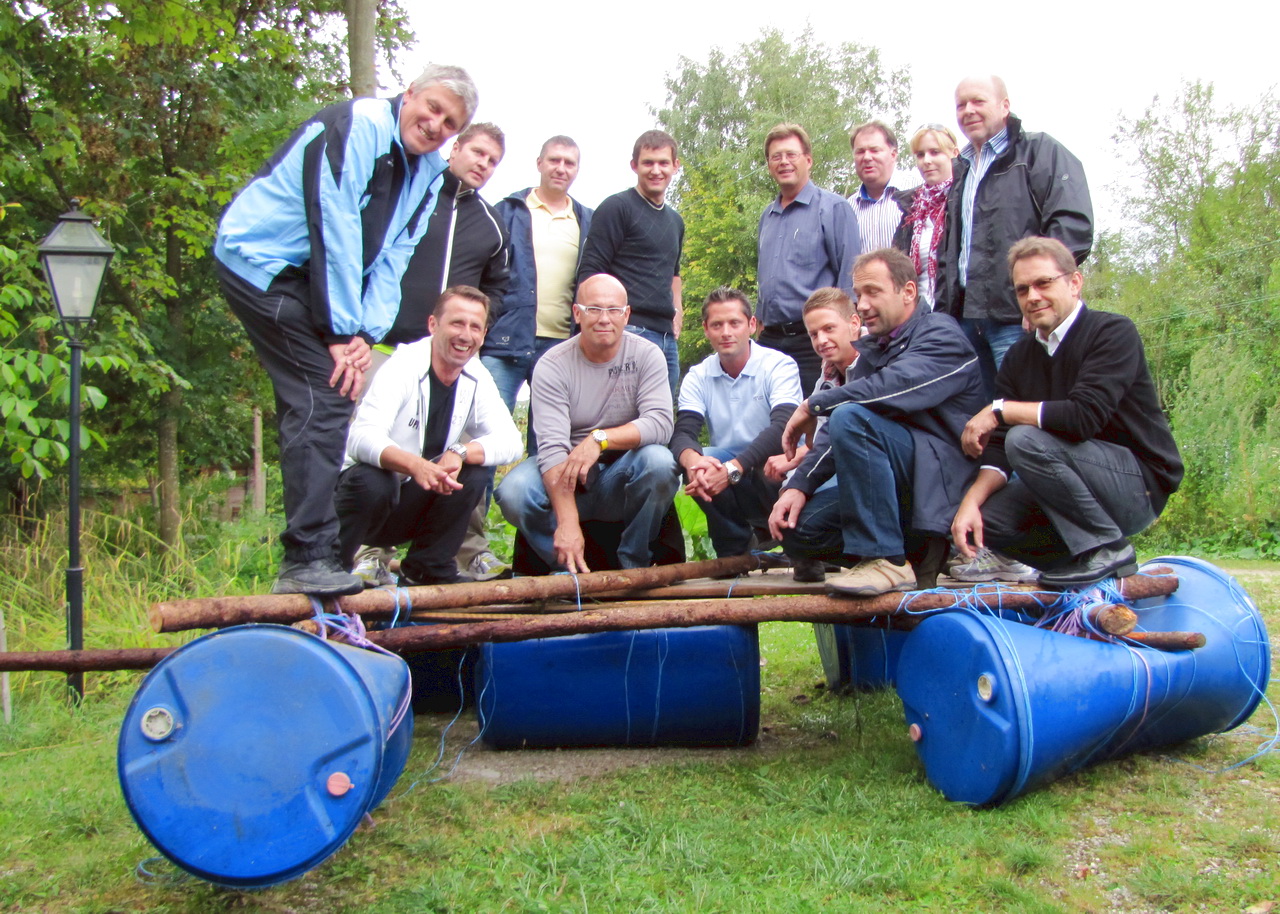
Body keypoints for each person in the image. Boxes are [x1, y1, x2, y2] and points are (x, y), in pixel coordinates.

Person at [214, 64, 476, 595]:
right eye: (433, 108)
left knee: (326, 392)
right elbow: (333, 224)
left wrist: (363, 335)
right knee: (326, 391)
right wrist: (339, 331)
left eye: (450, 124)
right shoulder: (358, 127)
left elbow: (394, 257)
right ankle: (308, 557)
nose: (435, 125)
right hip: (262, 263)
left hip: (311, 281)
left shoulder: (429, 175)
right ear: (409, 94)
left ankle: (318, 556)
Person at [950, 237, 1184, 589]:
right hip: (1069, 486)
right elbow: (998, 445)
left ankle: (1108, 549)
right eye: (1022, 289)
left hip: (1137, 487)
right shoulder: (1019, 357)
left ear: (1074, 282)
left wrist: (999, 409)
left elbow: (1083, 417)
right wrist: (970, 503)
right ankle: (1077, 564)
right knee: (987, 520)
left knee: (1025, 439)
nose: (1033, 297)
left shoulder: (1111, 332)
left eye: (1044, 283)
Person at [348, 122, 511, 587]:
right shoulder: (411, 197)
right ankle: (368, 554)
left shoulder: (491, 223)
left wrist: (470, 325)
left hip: (453, 358)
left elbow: (500, 285)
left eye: (493, 161)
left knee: (469, 454)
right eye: (477, 152)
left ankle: (461, 553)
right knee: (377, 450)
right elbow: (367, 255)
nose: (483, 164)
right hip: (387, 343)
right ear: (454, 148)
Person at [769, 249, 986, 596]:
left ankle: (886, 558)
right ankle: (910, 557)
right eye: (859, 295)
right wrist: (799, 485)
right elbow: (836, 435)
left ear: (908, 291)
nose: (864, 305)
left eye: (873, 292)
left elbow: (896, 386)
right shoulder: (875, 349)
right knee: (796, 527)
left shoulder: (941, 334)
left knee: (850, 415)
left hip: (942, 483)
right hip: (893, 490)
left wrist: (814, 404)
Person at [335, 287, 521, 586]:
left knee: (472, 469)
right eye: (457, 323)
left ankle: (427, 568)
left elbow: (511, 442)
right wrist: (415, 465)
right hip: (359, 503)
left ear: (484, 334)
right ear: (433, 324)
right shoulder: (404, 365)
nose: (466, 335)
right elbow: (361, 437)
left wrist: (459, 451)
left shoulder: (476, 373)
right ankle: (335, 567)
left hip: (412, 504)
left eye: (475, 327)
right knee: (375, 479)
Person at [495, 274, 679, 573]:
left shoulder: (648, 355)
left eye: (613, 310)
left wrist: (599, 439)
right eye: (593, 309)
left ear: (626, 315)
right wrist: (567, 522)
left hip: (623, 474)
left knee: (659, 462)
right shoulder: (552, 365)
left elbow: (660, 423)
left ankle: (633, 564)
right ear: (577, 313)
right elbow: (552, 450)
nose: (604, 319)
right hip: (567, 472)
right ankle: (565, 567)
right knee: (514, 491)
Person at [935, 74, 1093, 398]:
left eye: (978, 101)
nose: (968, 110)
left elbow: (1072, 225)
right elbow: (951, 251)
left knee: (1028, 410)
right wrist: (944, 319)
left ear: (1004, 106)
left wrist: (1041, 296)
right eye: (961, 105)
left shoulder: (1040, 152)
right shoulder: (962, 168)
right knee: (981, 418)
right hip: (966, 322)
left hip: (1019, 317)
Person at [669, 288, 803, 557]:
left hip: (779, 469)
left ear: (751, 325)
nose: (726, 332)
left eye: (734, 323)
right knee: (701, 463)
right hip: (732, 470)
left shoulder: (779, 365)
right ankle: (734, 551)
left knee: (769, 465)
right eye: (717, 325)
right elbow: (683, 433)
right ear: (706, 329)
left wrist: (733, 468)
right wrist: (694, 462)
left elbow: (783, 428)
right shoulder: (698, 376)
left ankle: (797, 545)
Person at [483, 136, 594, 449]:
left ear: (577, 170)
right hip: (504, 340)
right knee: (485, 436)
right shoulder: (506, 211)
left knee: (549, 442)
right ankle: (474, 487)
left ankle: (537, 486)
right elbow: (484, 275)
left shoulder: (588, 221)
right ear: (539, 163)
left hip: (562, 346)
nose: (561, 168)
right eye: (554, 160)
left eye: (569, 163)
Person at [762, 287, 862, 582]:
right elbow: (819, 440)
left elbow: (843, 436)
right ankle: (811, 557)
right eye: (814, 334)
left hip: (875, 476)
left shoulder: (873, 365)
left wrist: (801, 466)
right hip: (838, 468)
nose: (821, 340)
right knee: (790, 515)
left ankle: (895, 555)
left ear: (854, 324)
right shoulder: (827, 375)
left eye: (829, 329)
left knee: (800, 490)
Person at [757, 123, 862, 394]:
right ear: (769, 165)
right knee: (770, 413)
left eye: (791, 154)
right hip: (770, 341)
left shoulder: (834, 208)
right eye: (776, 156)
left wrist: (843, 338)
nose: (784, 162)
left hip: (814, 341)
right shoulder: (767, 216)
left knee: (816, 413)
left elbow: (849, 279)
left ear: (808, 160)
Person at [577, 131, 684, 392]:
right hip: (627, 330)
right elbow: (590, 271)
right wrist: (596, 325)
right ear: (634, 165)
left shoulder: (675, 221)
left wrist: (678, 311)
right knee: (619, 411)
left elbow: (673, 272)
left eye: (663, 163)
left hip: (666, 337)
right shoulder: (616, 208)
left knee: (660, 413)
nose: (656, 170)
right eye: (648, 163)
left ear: (675, 166)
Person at [892, 124, 959, 310]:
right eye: (920, 155)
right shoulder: (912, 208)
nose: (927, 161)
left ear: (954, 154)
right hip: (918, 312)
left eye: (935, 152)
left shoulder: (964, 200)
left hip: (955, 312)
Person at [848, 120, 909, 251]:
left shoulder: (918, 193)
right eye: (860, 152)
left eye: (874, 150)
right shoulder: (848, 209)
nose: (867, 157)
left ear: (893, 155)